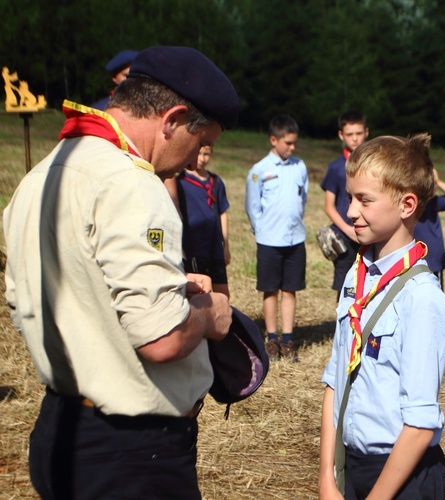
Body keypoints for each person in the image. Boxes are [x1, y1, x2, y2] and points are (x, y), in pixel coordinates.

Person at [3, 46, 239, 499]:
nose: (195, 161)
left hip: (60, 432)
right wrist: (210, 314)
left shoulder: (40, 176)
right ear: (172, 119)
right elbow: (162, 338)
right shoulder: (131, 184)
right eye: (200, 143)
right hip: (130, 455)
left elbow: (32, 300)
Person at [319, 134, 445, 499]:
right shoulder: (356, 276)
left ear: (407, 204)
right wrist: (328, 476)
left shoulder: (423, 298)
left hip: (404, 475)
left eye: (364, 200)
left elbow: (420, 424)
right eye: (350, 197)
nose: (350, 211)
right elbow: (335, 379)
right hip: (349, 465)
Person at [245, 114, 308, 362]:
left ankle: (288, 338)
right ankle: (272, 339)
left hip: (295, 239)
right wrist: (262, 230)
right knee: (270, 290)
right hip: (269, 240)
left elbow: (302, 200)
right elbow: (252, 206)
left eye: (294, 143)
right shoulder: (259, 170)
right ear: (274, 139)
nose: (292, 148)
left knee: (290, 289)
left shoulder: (300, 167)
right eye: (287, 143)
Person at [166, 144, 231, 298]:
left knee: (223, 293)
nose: (202, 159)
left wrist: (226, 244)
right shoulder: (180, 182)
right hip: (194, 245)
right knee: (200, 292)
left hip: (214, 246)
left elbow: (222, 213)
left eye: (206, 154)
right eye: (199, 153)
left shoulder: (216, 182)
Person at [321, 111, 369, 295]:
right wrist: (347, 230)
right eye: (350, 134)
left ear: (366, 132)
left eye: (359, 133)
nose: (355, 139)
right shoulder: (335, 168)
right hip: (345, 236)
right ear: (341, 135)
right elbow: (329, 206)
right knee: (345, 288)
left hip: (370, 234)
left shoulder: (375, 165)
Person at [413, 168, 445, 289]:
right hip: (417, 258)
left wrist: (438, 182)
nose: (433, 185)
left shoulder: (435, 202)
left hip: (434, 259)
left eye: (434, 182)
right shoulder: (413, 203)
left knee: (436, 291)